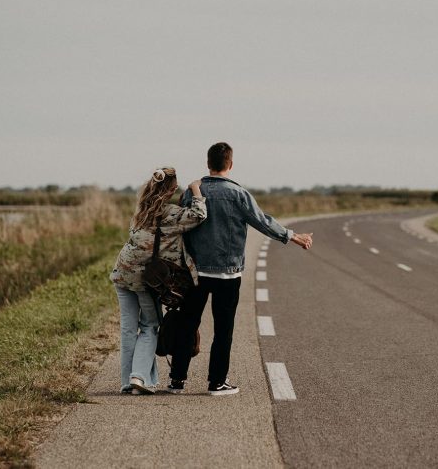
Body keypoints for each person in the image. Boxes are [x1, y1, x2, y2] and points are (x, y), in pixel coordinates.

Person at [169, 142, 313, 395]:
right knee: (223, 329)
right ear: (230, 164)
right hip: (227, 273)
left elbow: (180, 224)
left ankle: (177, 380)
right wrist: (291, 236)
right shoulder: (238, 194)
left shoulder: (192, 192)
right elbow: (262, 221)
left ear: (208, 163)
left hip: (195, 272)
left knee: (188, 323)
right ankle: (216, 382)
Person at [110, 167, 207, 394]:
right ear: (172, 189)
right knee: (150, 326)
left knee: (127, 329)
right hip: (144, 278)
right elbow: (199, 215)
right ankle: (139, 377)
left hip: (121, 273)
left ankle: (127, 381)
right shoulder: (171, 214)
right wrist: (195, 189)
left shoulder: (140, 211)